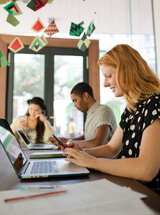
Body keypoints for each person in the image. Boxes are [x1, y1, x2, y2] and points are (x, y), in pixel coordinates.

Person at [63, 44, 160, 195]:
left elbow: (146, 169)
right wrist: (82, 152)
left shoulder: (155, 104)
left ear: (127, 72)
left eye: (109, 76)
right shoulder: (131, 109)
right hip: (130, 188)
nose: (105, 84)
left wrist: (92, 161)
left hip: (149, 196)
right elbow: (111, 148)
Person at [50, 82, 117, 148]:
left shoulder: (103, 111)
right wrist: (66, 141)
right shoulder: (90, 113)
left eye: (75, 100)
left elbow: (97, 143)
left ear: (85, 96)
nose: (74, 105)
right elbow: (86, 137)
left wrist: (68, 142)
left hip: (104, 158)